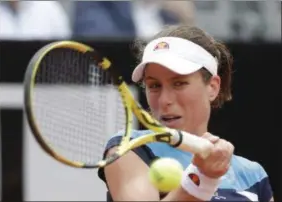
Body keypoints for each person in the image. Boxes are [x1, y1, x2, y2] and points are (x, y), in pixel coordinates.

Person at [98, 24, 274, 201]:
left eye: (179, 83)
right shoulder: (128, 148)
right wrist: (201, 179)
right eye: (154, 86)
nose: (164, 99)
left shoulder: (252, 176)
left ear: (212, 87)